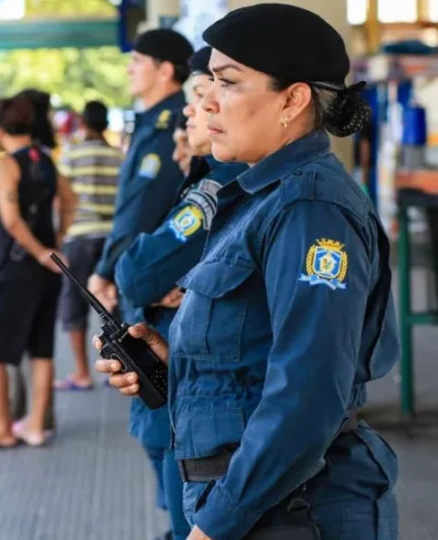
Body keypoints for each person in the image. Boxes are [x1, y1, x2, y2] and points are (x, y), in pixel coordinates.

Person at [97, 5, 400, 540]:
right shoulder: (257, 197)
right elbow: (257, 355)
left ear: (292, 99)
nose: (207, 99)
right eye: (209, 80)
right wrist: (178, 368)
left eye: (228, 82)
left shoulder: (310, 207)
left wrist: (214, 526)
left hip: (292, 510)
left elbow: (307, 397)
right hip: (256, 499)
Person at [114, 47, 248, 540]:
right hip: (185, 382)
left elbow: (137, 272)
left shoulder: (223, 186)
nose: (197, 107)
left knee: (185, 512)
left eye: (217, 89)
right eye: (199, 92)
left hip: (209, 414)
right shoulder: (207, 178)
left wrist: (181, 281)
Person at [85, 27, 193, 540]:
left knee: (165, 421)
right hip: (141, 282)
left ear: (165, 69)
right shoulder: (151, 123)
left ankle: (181, 526)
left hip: (161, 288)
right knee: (150, 419)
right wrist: (110, 267)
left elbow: (150, 212)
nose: (129, 70)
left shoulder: (175, 125)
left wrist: (113, 267)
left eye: (137, 62)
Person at [0, 94, 76, 452]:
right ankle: (36, 427)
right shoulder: (45, 159)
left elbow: (9, 219)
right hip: (49, 267)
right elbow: (71, 201)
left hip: (19, 265)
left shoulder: (6, 164)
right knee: (41, 349)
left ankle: (3, 427)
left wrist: (41, 253)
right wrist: (56, 241)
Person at [53, 100, 122, 392]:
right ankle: (118, 365)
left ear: (83, 123)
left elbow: (62, 198)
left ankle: (82, 373)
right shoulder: (118, 157)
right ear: (106, 124)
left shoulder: (71, 154)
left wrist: (59, 234)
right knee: (112, 302)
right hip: (110, 237)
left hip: (79, 236)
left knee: (74, 302)